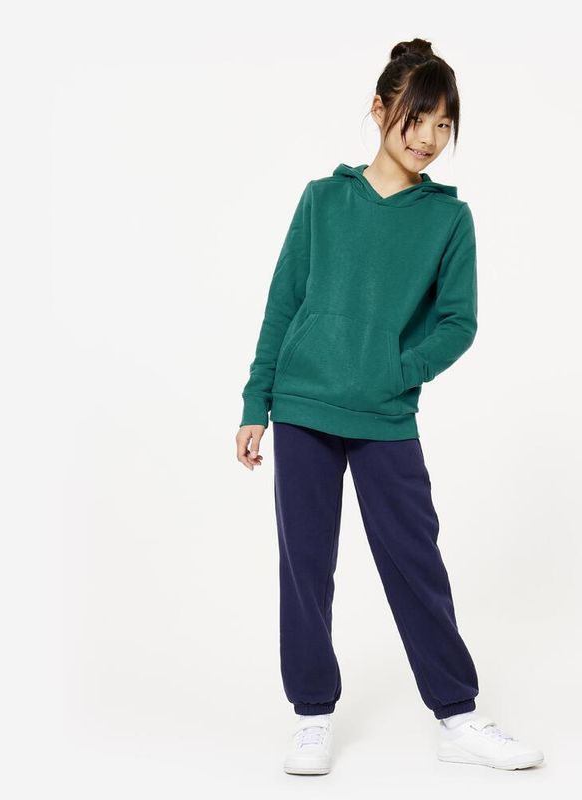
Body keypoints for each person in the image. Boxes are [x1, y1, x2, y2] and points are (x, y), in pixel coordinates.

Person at [235, 38, 545, 775]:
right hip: (303, 405)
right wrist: (255, 400)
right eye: (417, 118)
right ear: (380, 110)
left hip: (384, 415)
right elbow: (284, 302)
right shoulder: (322, 199)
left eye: (444, 124)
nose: (430, 137)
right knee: (305, 564)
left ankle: (457, 715)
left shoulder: (448, 219)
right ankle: (312, 714)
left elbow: (459, 322)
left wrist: (398, 371)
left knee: (414, 560)